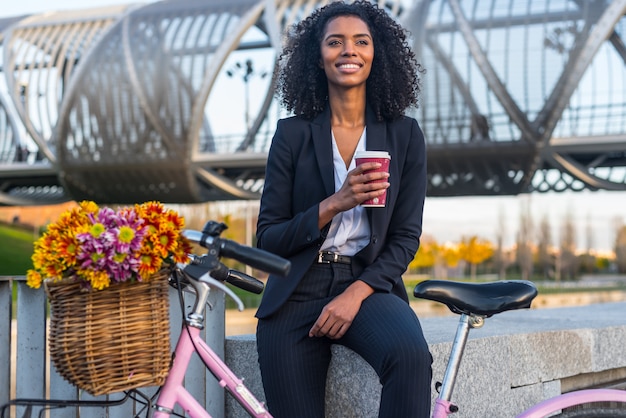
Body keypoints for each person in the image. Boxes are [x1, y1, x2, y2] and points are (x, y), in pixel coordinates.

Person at [255, 1, 432, 416]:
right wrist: (335, 203)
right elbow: (268, 238)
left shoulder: (405, 135)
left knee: (410, 358)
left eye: (361, 42)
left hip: (366, 282)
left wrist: (356, 293)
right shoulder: (291, 134)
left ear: (377, 54)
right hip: (295, 289)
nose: (348, 50)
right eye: (335, 42)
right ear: (318, 57)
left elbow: (405, 237)